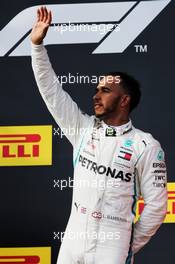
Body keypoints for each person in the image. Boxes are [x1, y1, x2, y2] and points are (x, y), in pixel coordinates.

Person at [30, 6, 167, 264]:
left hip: (112, 244)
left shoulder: (145, 145)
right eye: (96, 88)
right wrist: (37, 47)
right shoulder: (82, 128)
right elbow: (51, 92)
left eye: (105, 90)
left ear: (124, 100)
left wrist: (125, 243)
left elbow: (157, 207)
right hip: (73, 239)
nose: (96, 94)